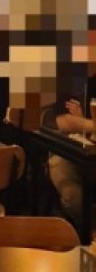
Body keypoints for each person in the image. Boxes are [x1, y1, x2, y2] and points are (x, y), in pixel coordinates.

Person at [44, 97, 93, 232]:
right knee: (72, 194)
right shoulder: (66, 88)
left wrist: (83, 124)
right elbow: (60, 121)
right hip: (66, 151)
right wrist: (87, 125)